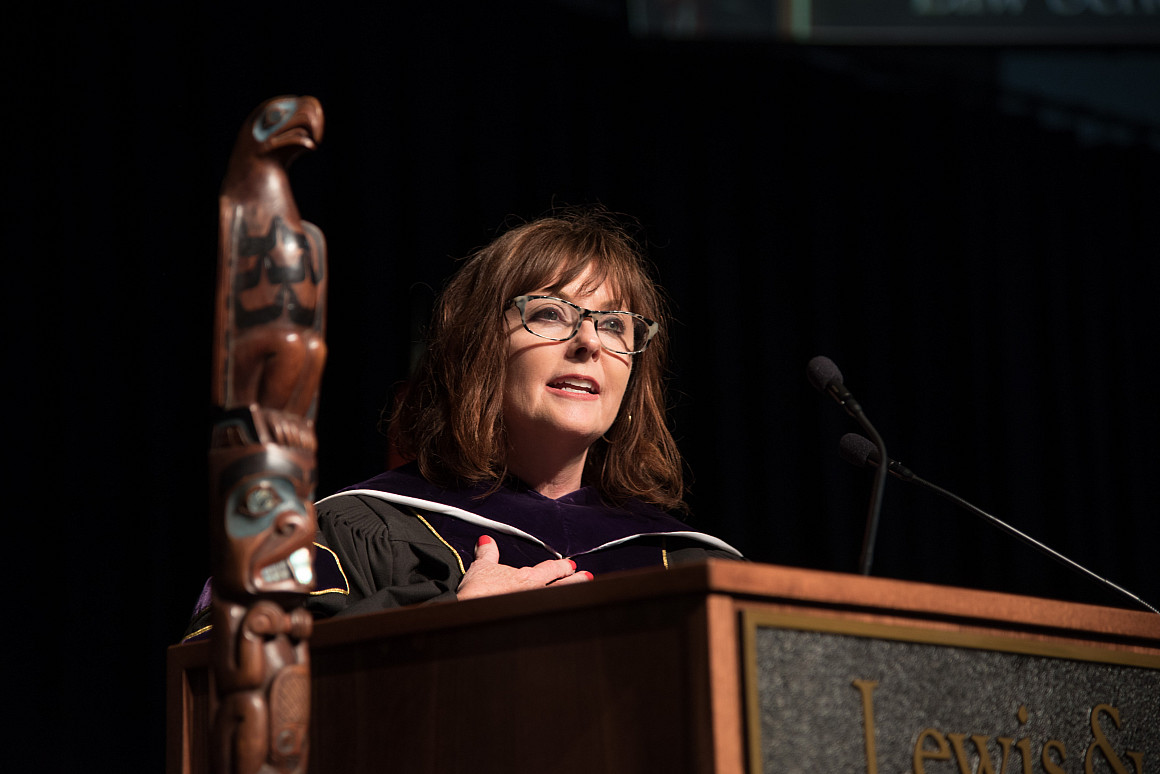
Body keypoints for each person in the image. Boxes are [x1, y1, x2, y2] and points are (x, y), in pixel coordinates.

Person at [183, 208, 741, 639]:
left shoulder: (688, 563)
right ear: (479, 348)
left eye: (616, 325)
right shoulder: (354, 531)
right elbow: (234, 671)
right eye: (550, 313)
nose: (589, 342)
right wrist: (446, 623)